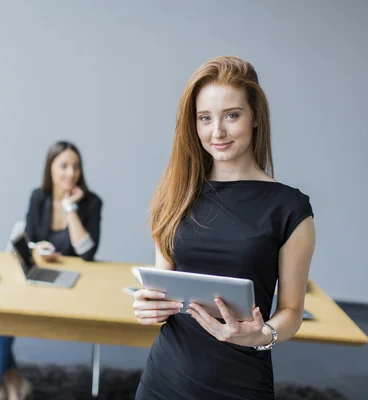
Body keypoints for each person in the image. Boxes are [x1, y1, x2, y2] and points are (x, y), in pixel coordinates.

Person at [132, 56, 316, 400]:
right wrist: (149, 306)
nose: (217, 132)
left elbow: (291, 311)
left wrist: (263, 335)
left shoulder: (290, 209)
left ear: (255, 116)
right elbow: (164, 289)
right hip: (165, 378)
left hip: (240, 382)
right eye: (205, 118)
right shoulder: (177, 194)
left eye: (231, 115)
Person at [0, 140, 103, 400]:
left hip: (73, 287)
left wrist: (70, 209)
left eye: (76, 167)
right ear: (51, 168)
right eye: (64, 166)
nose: (71, 173)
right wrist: (38, 250)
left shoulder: (91, 203)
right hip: (38, 280)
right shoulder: (39, 197)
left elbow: (87, 252)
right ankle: (12, 381)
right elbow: (29, 239)